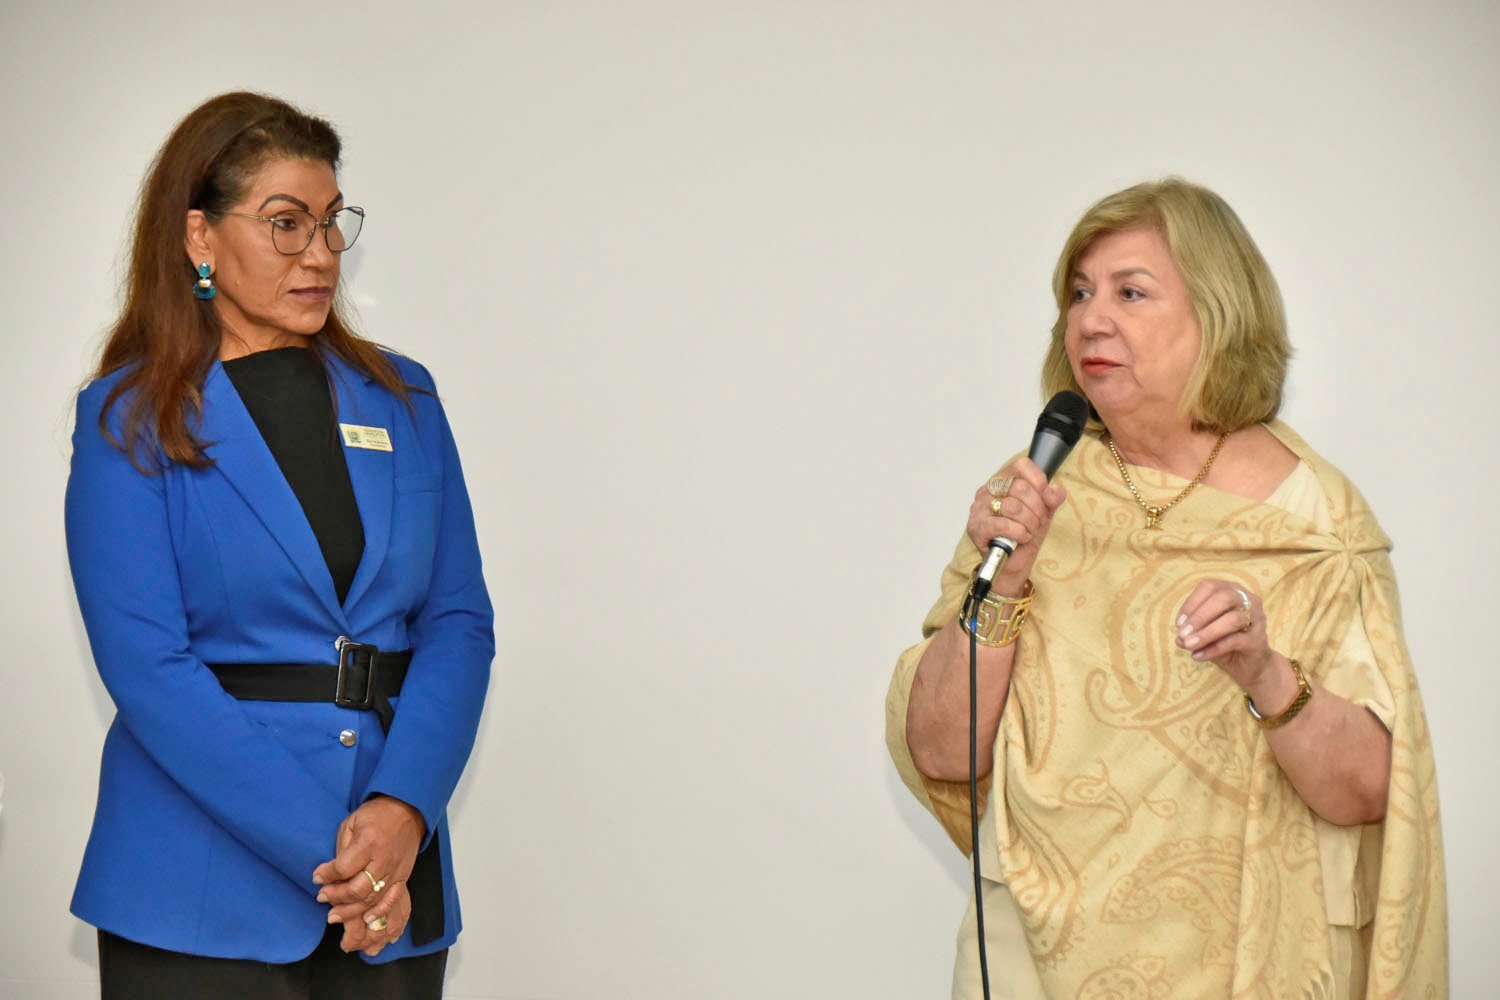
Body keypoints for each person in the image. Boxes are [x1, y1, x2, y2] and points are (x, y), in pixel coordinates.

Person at [886, 178, 1446, 998]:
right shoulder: (1037, 492)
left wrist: (1264, 673)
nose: (1091, 320)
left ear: (1217, 315)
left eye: (1131, 292)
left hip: (1244, 957)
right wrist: (1002, 585)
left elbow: (1370, 790)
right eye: (1079, 293)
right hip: (1031, 951)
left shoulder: (1314, 522)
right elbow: (941, 751)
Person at [65, 91, 493, 998]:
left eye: (332, 222)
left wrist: (402, 809)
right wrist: (343, 857)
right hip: (198, 885)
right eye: (286, 223)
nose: (321, 253)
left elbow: (459, 622)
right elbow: (147, 665)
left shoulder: (405, 400)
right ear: (200, 236)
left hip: (392, 876)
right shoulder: (129, 418)